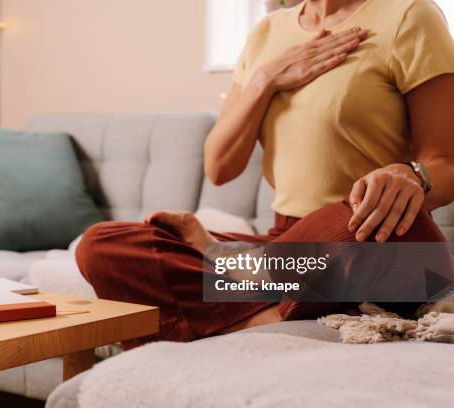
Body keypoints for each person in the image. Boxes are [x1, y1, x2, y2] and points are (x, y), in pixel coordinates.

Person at [76, 0, 454, 348]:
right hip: (286, 243)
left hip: (375, 235)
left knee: (354, 233)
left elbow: (446, 162)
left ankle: (243, 280)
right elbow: (220, 167)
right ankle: (263, 311)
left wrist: (411, 175)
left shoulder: (409, 16)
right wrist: (266, 79)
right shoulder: (267, 34)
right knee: (105, 244)